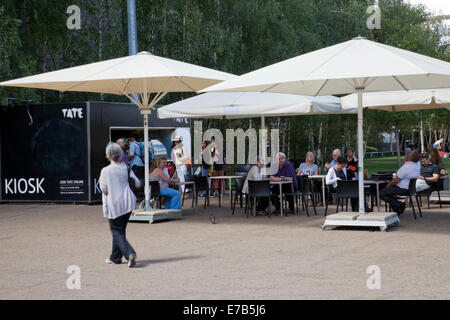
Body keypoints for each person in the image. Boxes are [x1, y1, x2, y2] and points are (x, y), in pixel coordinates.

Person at [99, 142, 140, 267]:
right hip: (128, 202)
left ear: (108, 156)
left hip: (114, 204)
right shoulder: (126, 168)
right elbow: (137, 183)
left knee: (116, 231)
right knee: (120, 230)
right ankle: (115, 257)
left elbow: (104, 189)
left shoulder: (105, 171)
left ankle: (130, 254)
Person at [380, 150, 420, 215]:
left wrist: (388, 185)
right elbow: (413, 159)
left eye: (408, 154)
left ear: (409, 157)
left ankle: (400, 204)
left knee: (382, 193)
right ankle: (397, 209)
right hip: (411, 189)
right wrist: (407, 157)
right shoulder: (417, 165)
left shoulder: (405, 168)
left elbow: (396, 180)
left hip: (402, 189)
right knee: (388, 192)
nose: (407, 154)